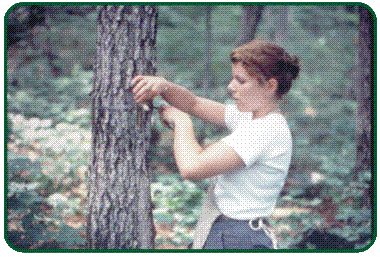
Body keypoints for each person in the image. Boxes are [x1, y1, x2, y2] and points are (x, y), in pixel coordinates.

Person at [131, 40, 300, 249]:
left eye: (241, 80)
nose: (231, 86)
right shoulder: (252, 118)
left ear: (270, 86)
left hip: (236, 239)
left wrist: (182, 122)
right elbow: (195, 103)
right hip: (230, 233)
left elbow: (192, 168)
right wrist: (163, 86)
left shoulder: (264, 130)